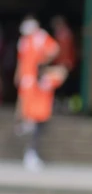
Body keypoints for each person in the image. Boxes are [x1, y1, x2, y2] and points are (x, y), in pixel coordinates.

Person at [14, 15, 66, 171]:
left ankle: (26, 124)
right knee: (26, 103)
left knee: (36, 117)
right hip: (29, 79)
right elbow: (21, 60)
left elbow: (54, 50)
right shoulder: (24, 41)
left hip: (36, 82)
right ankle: (24, 122)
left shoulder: (40, 37)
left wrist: (42, 62)